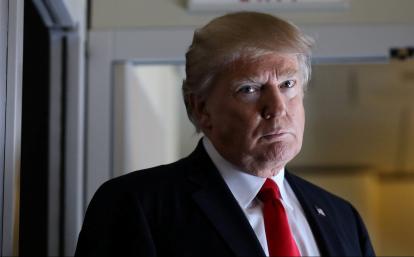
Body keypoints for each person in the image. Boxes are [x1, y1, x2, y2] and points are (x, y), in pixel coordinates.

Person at [75, 11, 375, 257]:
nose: (277, 108)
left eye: (287, 84)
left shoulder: (343, 218)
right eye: (249, 89)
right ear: (202, 108)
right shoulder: (136, 205)